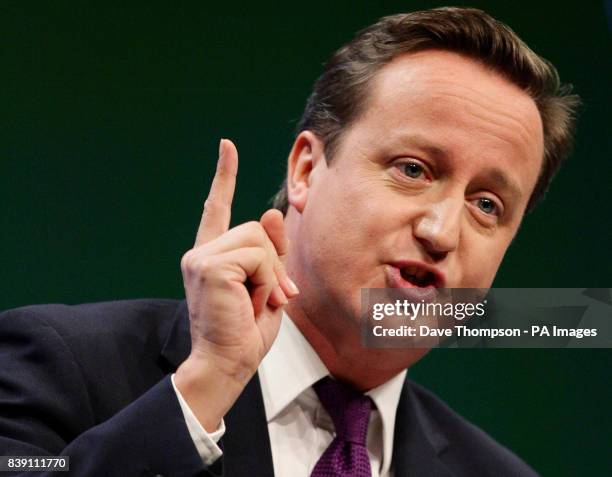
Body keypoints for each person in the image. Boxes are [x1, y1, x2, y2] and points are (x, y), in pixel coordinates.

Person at [0, 6, 579, 477]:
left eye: (487, 205)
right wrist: (202, 392)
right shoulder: (62, 365)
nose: (440, 233)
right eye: (412, 169)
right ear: (306, 169)